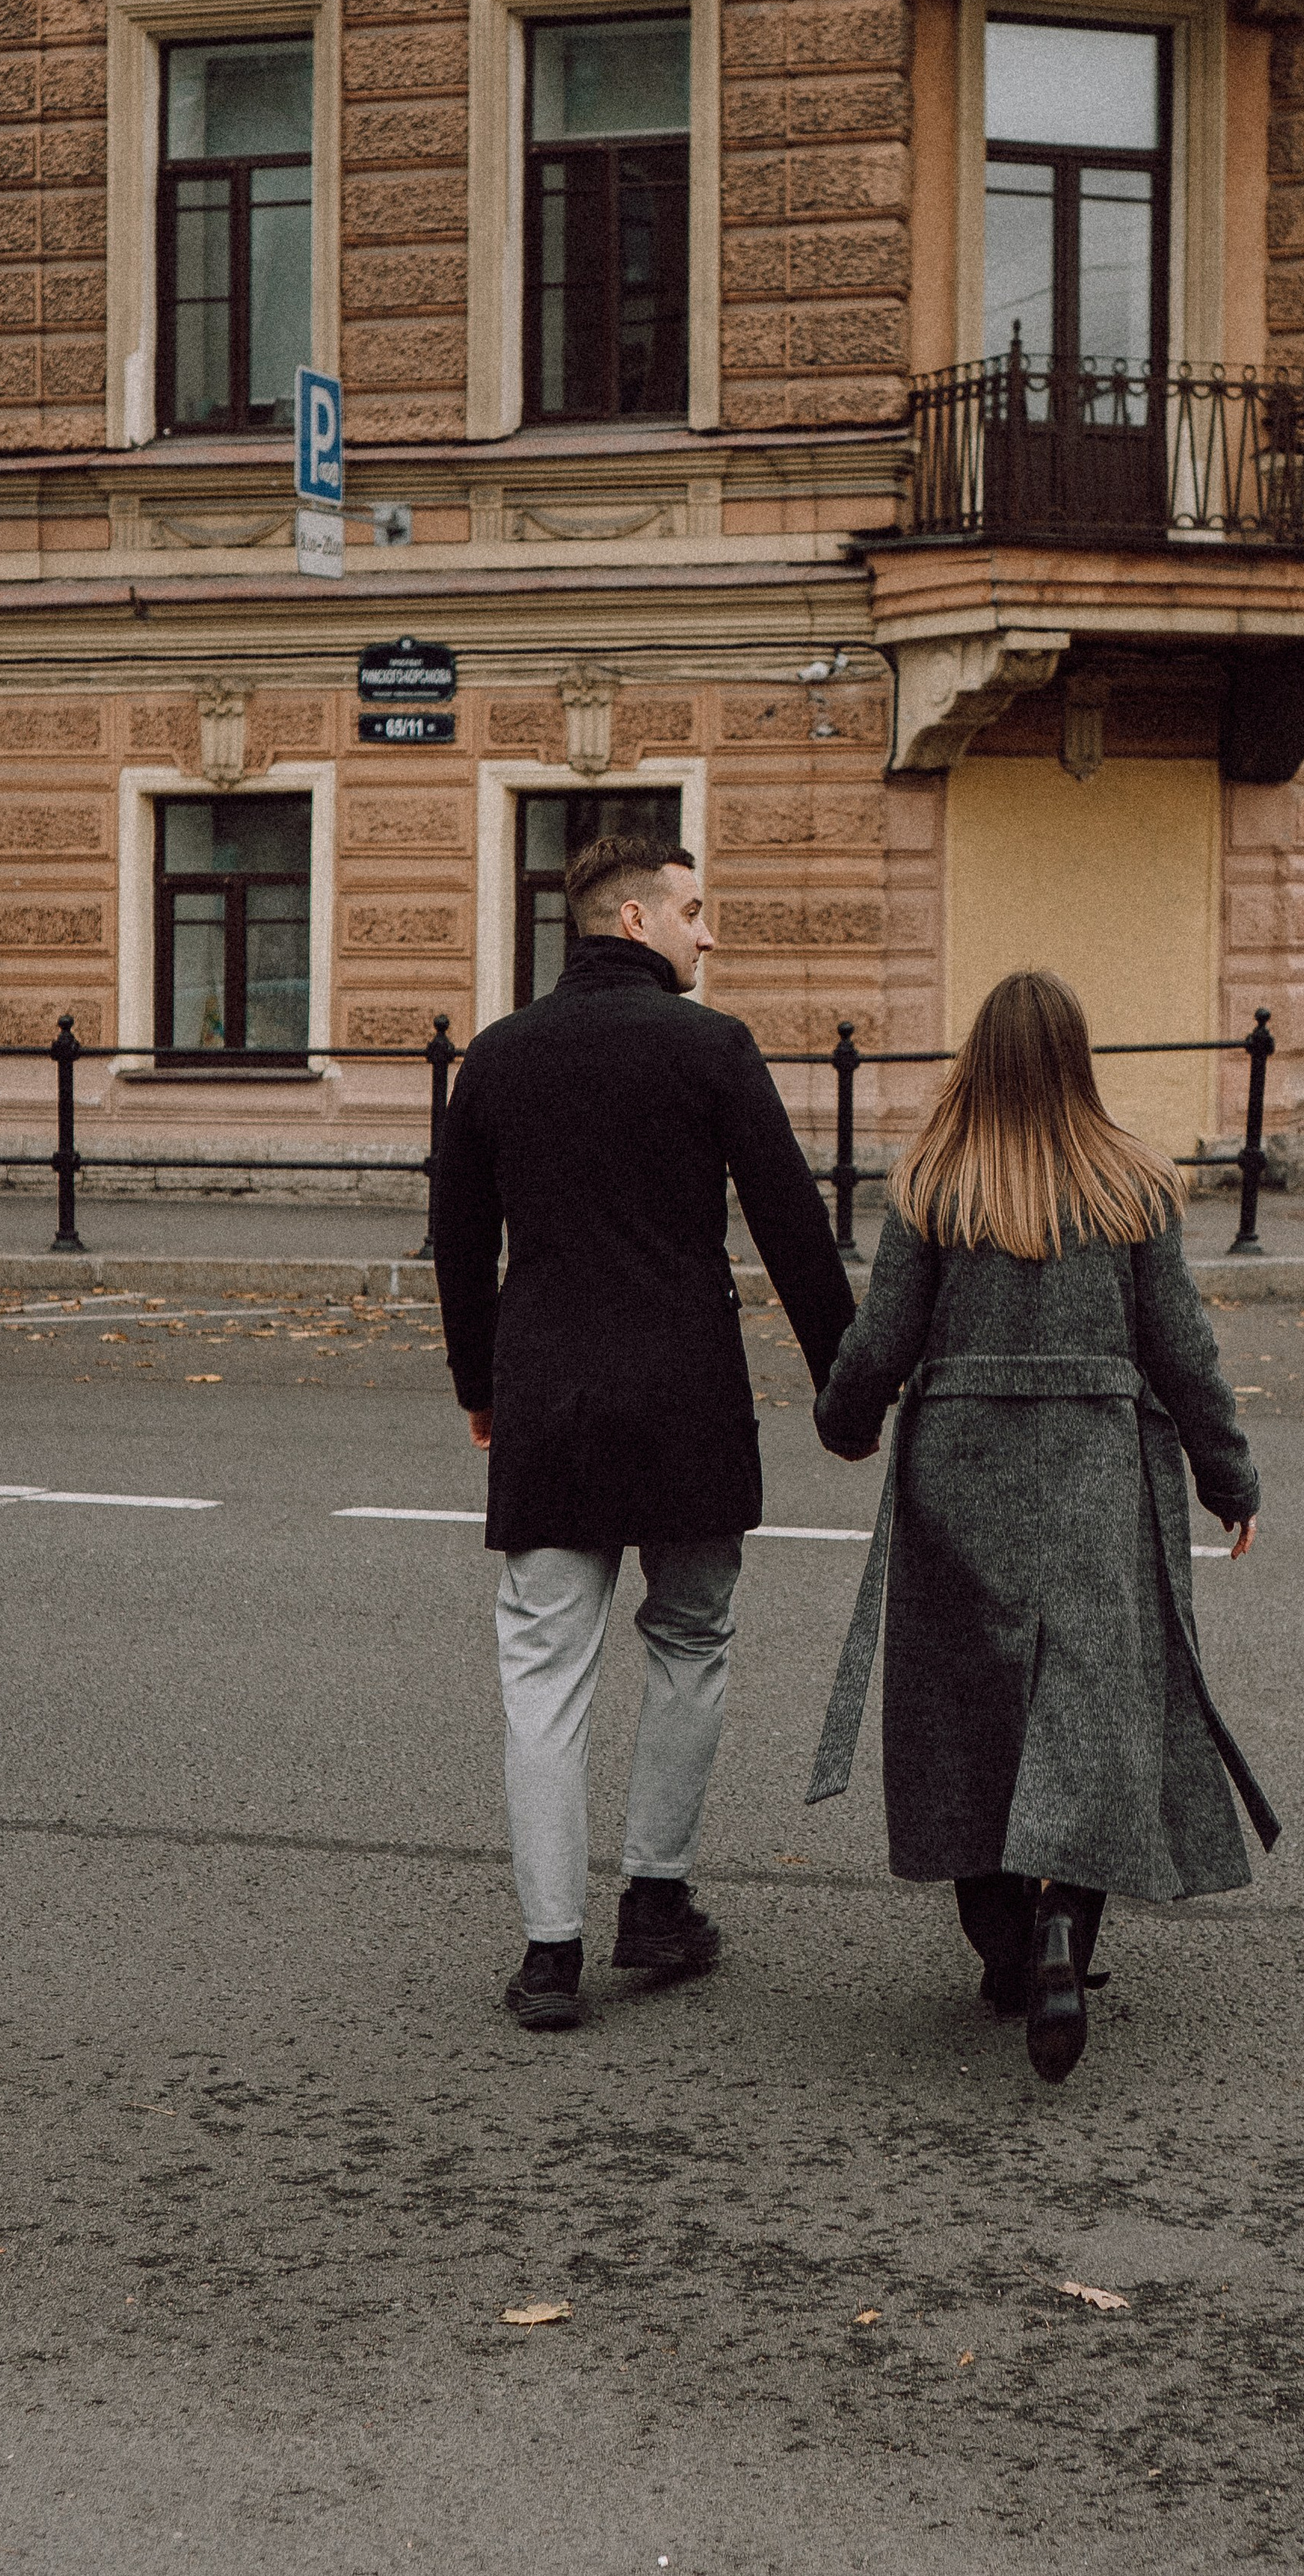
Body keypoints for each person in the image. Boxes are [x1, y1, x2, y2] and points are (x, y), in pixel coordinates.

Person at [806, 967, 1278, 2083]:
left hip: (960, 1472)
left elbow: (880, 1341)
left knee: (967, 1706)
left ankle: (1006, 1949)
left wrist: (846, 1423)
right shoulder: (1133, 1185)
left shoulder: (935, 1183)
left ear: (978, 1060)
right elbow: (1183, 1353)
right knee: (1092, 1704)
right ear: (1078, 1060)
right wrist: (1231, 1480)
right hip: (1096, 1469)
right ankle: (1066, 1921)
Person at [433, 833, 855, 2034]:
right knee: (690, 1640)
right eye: (694, 910)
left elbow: (461, 1245)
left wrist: (480, 1385)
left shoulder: (500, 1058)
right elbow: (791, 1226)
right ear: (632, 920)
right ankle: (657, 1901)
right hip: (685, 1399)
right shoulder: (710, 1048)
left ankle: (550, 1954)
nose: (708, 933)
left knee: (544, 1673)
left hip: (550, 1399)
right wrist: (846, 1389)